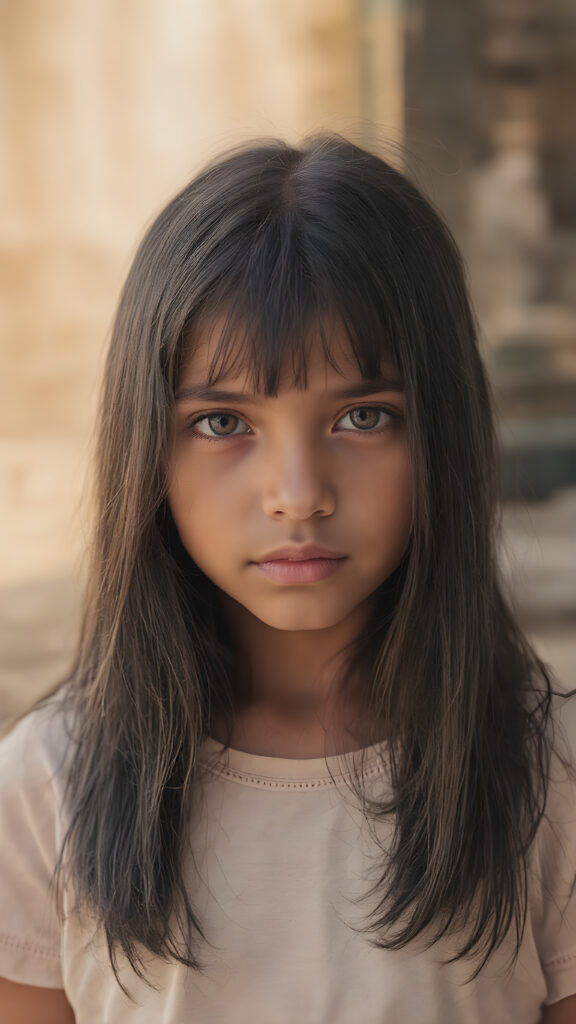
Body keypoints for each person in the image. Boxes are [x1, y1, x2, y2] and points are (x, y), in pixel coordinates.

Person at [0, 136, 574, 1024]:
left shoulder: (549, 774)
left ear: (445, 433)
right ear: (146, 445)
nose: (298, 497)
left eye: (362, 415)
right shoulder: (45, 789)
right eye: (224, 421)